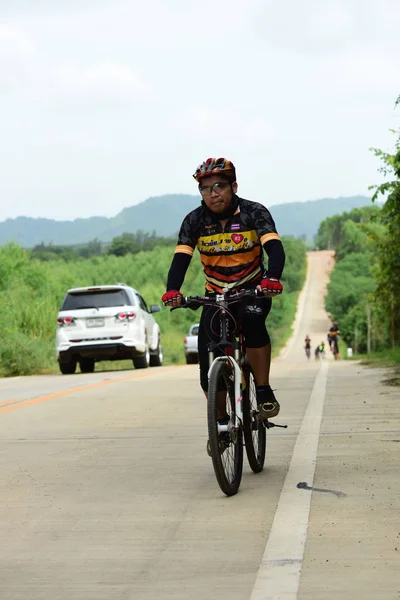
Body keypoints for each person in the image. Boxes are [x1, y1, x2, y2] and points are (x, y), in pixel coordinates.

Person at [161, 157, 285, 426]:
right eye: (205, 189)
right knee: (208, 362)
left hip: (252, 290)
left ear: (234, 186)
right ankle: (220, 423)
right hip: (215, 295)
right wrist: (173, 290)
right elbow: (181, 259)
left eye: (219, 186)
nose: (213, 193)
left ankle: (263, 389)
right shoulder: (194, 220)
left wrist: (272, 278)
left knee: (252, 320)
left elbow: (274, 248)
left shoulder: (254, 212)